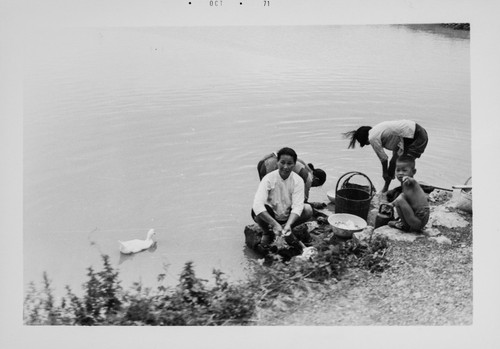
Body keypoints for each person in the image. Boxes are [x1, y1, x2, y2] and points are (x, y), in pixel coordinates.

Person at [252, 147, 314, 247]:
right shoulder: (268, 178)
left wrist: (289, 224)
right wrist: (274, 224)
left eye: (289, 163)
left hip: (288, 214)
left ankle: (287, 228)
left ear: (294, 164)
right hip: (271, 215)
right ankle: (267, 232)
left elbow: (298, 206)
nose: (285, 167)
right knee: (256, 210)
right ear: (277, 162)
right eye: (282, 162)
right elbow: (257, 205)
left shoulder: (298, 180)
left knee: (308, 209)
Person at [343, 120, 428, 192]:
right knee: (395, 164)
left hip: (415, 136)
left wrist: (384, 173)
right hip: (411, 133)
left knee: (405, 165)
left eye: (365, 143)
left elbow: (383, 159)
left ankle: (408, 191)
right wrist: (389, 169)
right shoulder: (378, 131)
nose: (367, 144)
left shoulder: (372, 137)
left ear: (365, 138)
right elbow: (395, 152)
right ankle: (387, 188)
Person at [257, 152, 326, 202]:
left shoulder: (305, 166)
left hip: (264, 161)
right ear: (316, 179)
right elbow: (304, 200)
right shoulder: (309, 178)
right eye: (316, 185)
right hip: (270, 165)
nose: (312, 187)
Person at [387, 155, 430, 232]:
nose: (400, 173)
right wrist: (391, 204)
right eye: (398, 170)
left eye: (404, 170)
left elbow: (411, 181)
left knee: (400, 200)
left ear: (413, 172)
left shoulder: (411, 183)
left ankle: (407, 225)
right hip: (415, 219)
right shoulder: (404, 185)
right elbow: (403, 195)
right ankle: (405, 225)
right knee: (399, 199)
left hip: (419, 220)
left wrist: (407, 178)